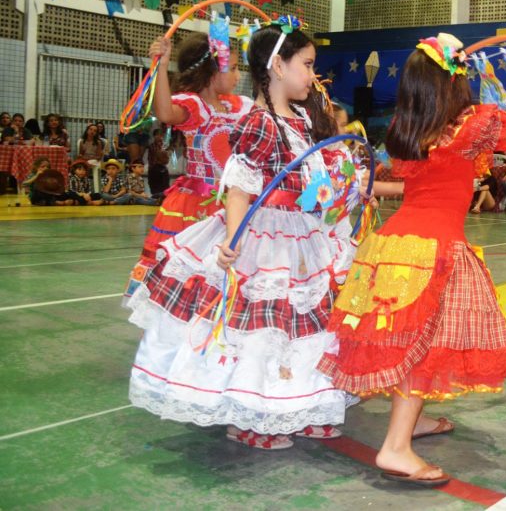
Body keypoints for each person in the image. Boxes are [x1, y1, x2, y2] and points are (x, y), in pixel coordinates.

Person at [317, 33, 506, 487]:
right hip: (434, 248)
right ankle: (395, 446)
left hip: (395, 244)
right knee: (422, 346)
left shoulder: (409, 127)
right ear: (453, 80)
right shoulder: (469, 125)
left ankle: (412, 422)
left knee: (415, 339)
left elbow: (414, 186)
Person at [125, 23, 366, 450]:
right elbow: (239, 186)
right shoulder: (258, 121)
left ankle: (304, 404)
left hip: (303, 234)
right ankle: (251, 416)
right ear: (278, 67)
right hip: (265, 237)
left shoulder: (303, 118)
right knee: (262, 328)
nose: (313, 75)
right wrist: (233, 240)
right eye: (307, 65)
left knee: (305, 326)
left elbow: (315, 175)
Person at [123, 33, 252, 299]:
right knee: (191, 271)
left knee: (228, 271)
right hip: (197, 206)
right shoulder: (195, 106)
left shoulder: (238, 106)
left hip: (235, 202)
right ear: (212, 72)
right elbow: (165, 112)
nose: (238, 76)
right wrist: (161, 66)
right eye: (233, 68)